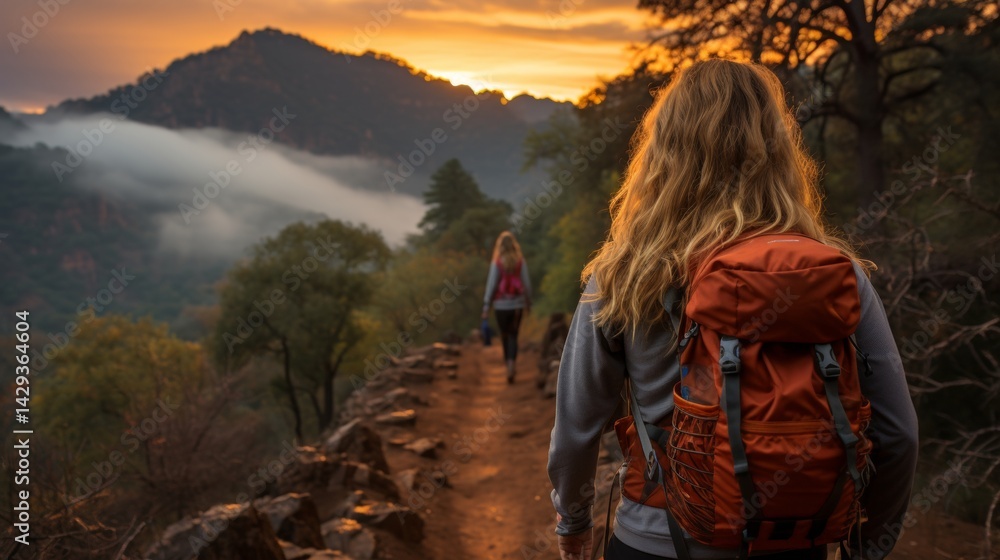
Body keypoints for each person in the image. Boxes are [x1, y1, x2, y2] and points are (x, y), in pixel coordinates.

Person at [547, 59, 918, 560]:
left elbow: (576, 428)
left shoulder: (626, 275)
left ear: (664, 151)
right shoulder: (836, 274)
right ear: (778, 150)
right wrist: (870, 546)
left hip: (656, 545)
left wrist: (572, 522)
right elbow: (899, 433)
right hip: (792, 544)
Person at [482, 231, 532, 383]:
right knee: (513, 335)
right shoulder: (520, 262)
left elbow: (491, 285)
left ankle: (507, 364)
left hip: (500, 306)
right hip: (517, 305)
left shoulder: (497, 263)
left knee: (504, 335)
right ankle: (512, 363)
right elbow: (527, 284)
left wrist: (486, 306)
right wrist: (528, 302)